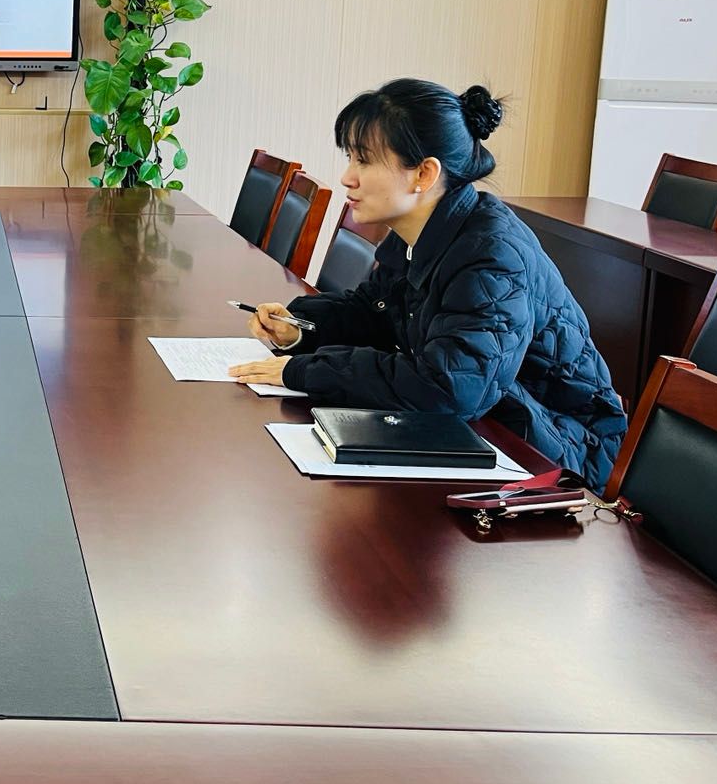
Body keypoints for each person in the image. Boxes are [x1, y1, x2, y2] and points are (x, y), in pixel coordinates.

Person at [229, 78, 627, 489]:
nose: (348, 177)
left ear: (424, 173)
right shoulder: (422, 232)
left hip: (553, 452)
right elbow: (372, 310)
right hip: (484, 427)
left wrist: (308, 370)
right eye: (350, 158)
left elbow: (449, 388)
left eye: (364, 161)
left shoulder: (491, 256)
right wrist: (299, 328)